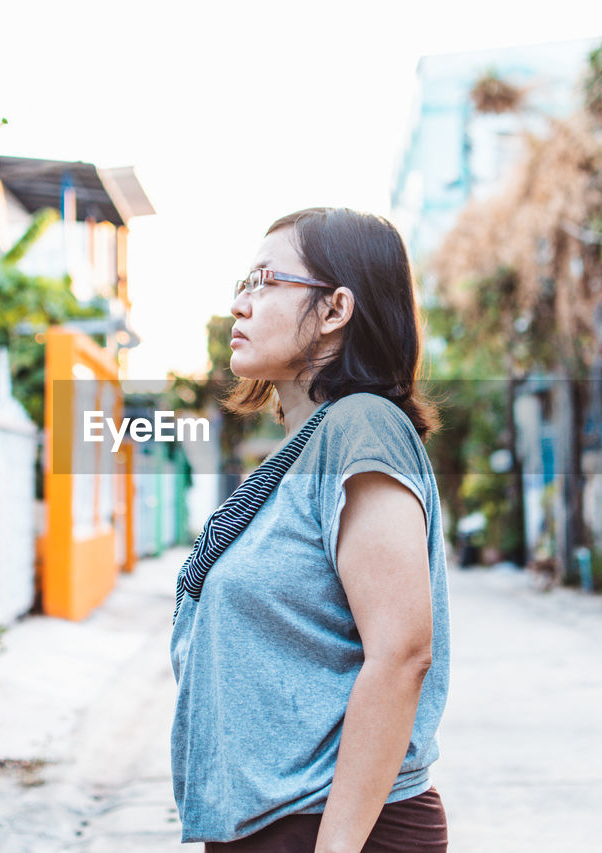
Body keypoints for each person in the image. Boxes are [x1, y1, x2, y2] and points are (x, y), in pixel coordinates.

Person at [170, 207, 451, 852]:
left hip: (335, 828)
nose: (241, 304)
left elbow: (403, 651)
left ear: (334, 310)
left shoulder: (362, 426)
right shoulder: (294, 456)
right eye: (243, 283)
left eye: (264, 280)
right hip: (269, 825)